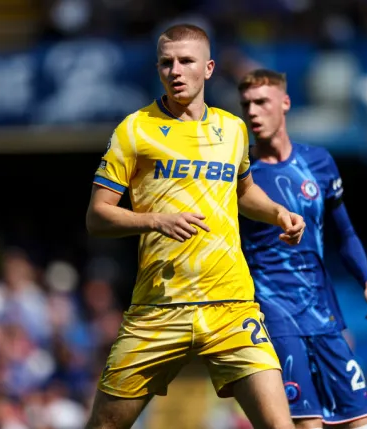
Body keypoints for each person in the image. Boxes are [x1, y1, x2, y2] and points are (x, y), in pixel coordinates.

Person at [84, 25, 305, 429]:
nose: (175, 70)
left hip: (231, 307)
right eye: (166, 63)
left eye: (186, 61)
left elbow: (242, 192)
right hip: (158, 308)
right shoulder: (134, 129)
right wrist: (154, 219)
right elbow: (97, 216)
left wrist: (278, 213)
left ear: (208, 68)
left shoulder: (233, 130)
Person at [237, 69, 367, 429]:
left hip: (322, 310)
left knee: (363, 423)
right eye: (246, 105)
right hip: (273, 312)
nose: (253, 112)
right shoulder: (239, 173)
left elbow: (345, 232)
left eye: (262, 102)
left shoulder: (318, 162)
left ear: (285, 103)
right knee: (307, 424)